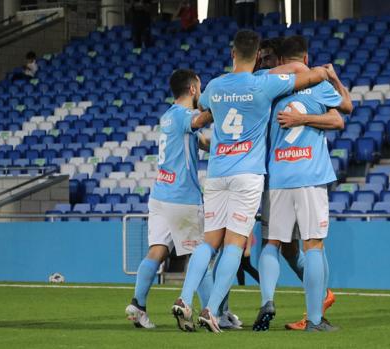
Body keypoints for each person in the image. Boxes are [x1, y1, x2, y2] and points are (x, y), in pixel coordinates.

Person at [172, 29, 331, 333]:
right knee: (234, 244)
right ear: (258, 55)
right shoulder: (264, 83)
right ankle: (211, 310)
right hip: (247, 174)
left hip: (217, 172)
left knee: (209, 242)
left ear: (232, 53)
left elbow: (202, 108)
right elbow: (305, 75)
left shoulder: (216, 86)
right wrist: (315, 71)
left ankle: (183, 298)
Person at [252, 35, 353, 332]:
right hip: (310, 176)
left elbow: (248, 77)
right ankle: (315, 319)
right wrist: (330, 79)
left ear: (279, 60)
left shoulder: (268, 86)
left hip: (278, 176)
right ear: (307, 58)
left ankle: (267, 301)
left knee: (272, 243)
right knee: (313, 245)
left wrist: (300, 119)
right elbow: (344, 112)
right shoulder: (318, 85)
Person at [124, 69, 214, 329]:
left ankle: (138, 305)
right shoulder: (186, 116)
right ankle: (211, 314)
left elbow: (201, 141)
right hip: (181, 197)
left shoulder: (168, 117)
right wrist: (222, 103)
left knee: (157, 250)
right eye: (201, 87)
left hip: (160, 194)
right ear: (193, 90)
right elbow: (198, 122)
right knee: (198, 255)